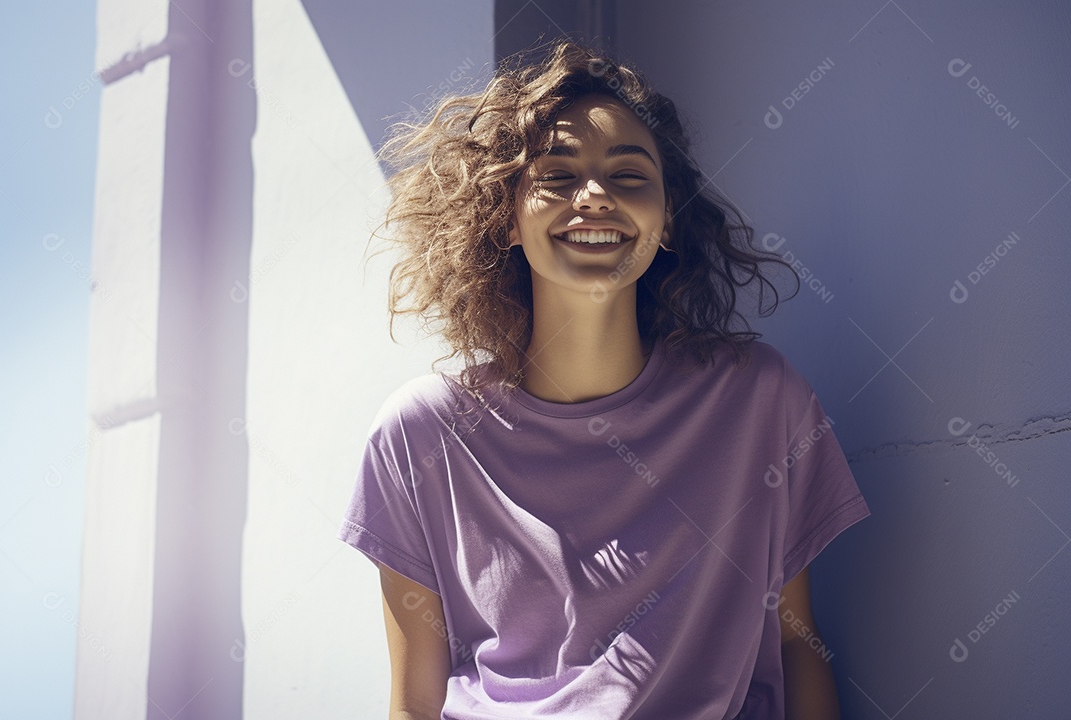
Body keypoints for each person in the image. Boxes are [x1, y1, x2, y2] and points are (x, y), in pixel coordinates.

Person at [338, 37, 871, 720]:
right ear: (505, 216)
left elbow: (798, 646)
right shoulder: (419, 434)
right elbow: (414, 702)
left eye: (628, 176)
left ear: (668, 220)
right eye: (557, 175)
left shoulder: (760, 401)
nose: (594, 197)